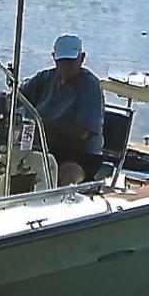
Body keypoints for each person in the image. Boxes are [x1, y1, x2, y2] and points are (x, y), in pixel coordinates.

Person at [18, 34, 105, 185]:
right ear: (54, 58)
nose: (66, 66)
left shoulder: (90, 86)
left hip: (80, 154)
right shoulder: (45, 78)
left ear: (82, 58)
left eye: (71, 61)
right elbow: (17, 98)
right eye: (62, 61)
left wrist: (40, 125)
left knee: (64, 176)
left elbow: (82, 132)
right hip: (42, 147)